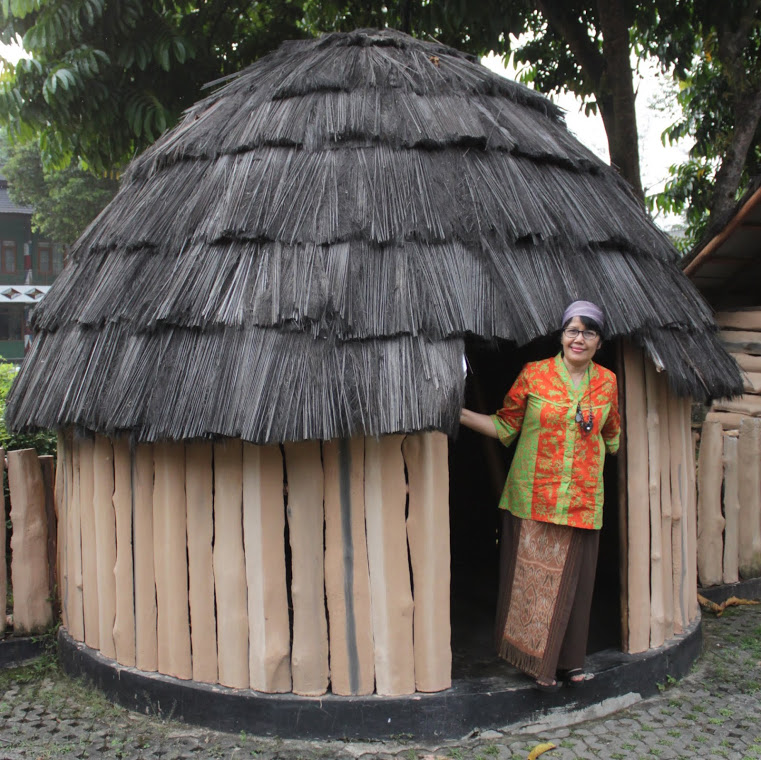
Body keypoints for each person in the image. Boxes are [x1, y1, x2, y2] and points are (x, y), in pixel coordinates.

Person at [459, 300, 620, 691]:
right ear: (562, 336)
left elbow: (612, 435)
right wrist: (457, 413)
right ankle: (534, 664)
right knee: (532, 582)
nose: (579, 339)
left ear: (599, 342)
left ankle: (571, 664)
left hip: (582, 500)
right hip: (533, 496)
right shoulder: (534, 374)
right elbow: (504, 427)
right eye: (572, 330)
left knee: (575, 587)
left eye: (589, 332)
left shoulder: (607, 382)